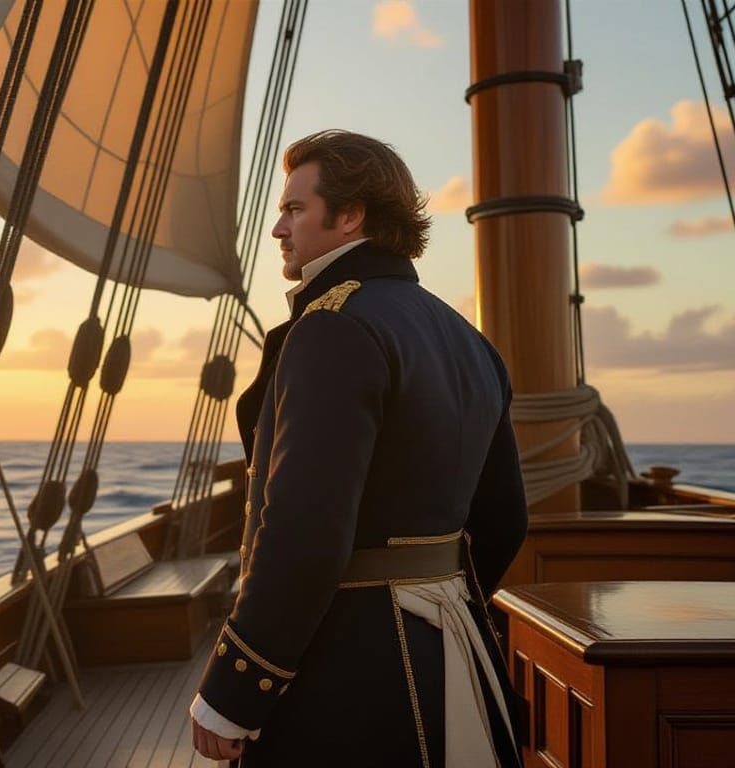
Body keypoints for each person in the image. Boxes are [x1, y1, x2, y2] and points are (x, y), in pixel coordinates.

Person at [189, 130, 527, 766]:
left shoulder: (333, 327)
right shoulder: (468, 339)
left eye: (294, 209)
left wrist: (236, 688)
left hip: (349, 675)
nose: (278, 229)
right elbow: (506, 521)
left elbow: (303, 533)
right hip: (453, 657)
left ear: (349, 216)